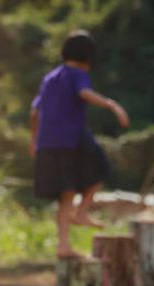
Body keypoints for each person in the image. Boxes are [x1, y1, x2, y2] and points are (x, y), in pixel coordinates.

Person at [30, 30, 129, 259]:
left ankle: (63, 244)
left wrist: (34, 141)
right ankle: (82, 211)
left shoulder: (50, 78)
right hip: (71, 138)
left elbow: (34, 112)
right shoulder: (77, 74)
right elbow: (84, 93)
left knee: (66, 194)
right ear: (89, 57)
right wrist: (112, 105)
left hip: (48, 142)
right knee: (101, 168)